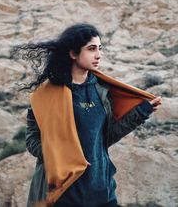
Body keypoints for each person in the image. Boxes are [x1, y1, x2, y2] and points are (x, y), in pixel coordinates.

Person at [15, 23, 161, 207]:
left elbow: (105, 138)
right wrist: (60, 154)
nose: (98, 55)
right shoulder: (46, 95)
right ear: (73, 53)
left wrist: (141, 112)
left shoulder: (101, 90)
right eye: (91, 49)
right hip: (64, 194)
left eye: (100, 48)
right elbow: (32, 141)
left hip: (102, 191)